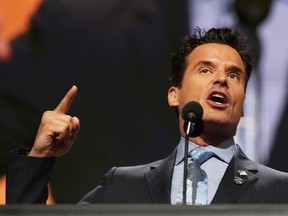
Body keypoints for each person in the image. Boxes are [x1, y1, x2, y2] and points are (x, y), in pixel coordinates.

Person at [6, 27, 288, 204]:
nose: (221, 80)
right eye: (205, 70)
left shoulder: (279, 191)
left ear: (243, 105)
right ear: (173, 94)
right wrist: (39, 158)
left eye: (234, 75)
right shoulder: (123, 185)